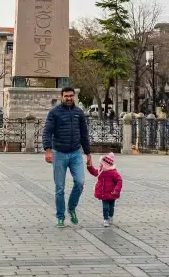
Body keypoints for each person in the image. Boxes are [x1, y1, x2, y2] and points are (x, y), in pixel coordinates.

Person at [43, 86, 91, 227]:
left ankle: (71, 207)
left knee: (80, 182)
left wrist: (88, 153)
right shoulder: (54, 113)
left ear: (74, 96)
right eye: (66, 96)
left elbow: (84, 134)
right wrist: (48, 150)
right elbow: (47, 132)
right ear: (62, 97)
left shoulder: (79, 112)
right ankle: (60, 216)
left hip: (76, 153)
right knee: (60, 188)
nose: (69, 98)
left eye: (71, 96)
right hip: (59, 153)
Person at [87, 152, 123, 228]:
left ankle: (110, 216)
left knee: (111, 207)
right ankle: (105, 219)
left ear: (106, 165)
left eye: (101, 164)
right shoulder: (101, 171)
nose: (100, 165)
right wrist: (89, 167)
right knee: (105, 207)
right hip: (104, 194)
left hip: (112, 193)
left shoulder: (113, 172)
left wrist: (116, 190)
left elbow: (119, 181)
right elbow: (94, 172)